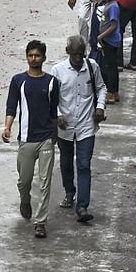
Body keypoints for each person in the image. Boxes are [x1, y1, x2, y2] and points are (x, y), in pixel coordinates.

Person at [2, 40, 60, 239]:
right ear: (26, 57)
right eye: (30, 55)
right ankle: (25, 200)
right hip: (26, 140)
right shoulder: (18, 81)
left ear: (44, 58)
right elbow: (11, 106)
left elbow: (54, 111)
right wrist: (7, 127)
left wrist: (54, 136)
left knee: (45, 182)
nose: (33, 59)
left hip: (45, 139)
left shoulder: (52, 82)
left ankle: (40, 222)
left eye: (37, 55)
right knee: (24, 181)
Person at [52, 36, 106, 225]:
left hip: (86, 126)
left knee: (83, 165)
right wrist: (57, 114)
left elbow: (101, 88)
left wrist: (100, 107)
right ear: (68, 52)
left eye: (81, 54)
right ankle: (69, 192)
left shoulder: (92, 67)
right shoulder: (57, 71)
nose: (78, 58)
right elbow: (52, 97)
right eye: (75, 54)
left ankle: (82, 206)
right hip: (65, 127)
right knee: (66, 163)